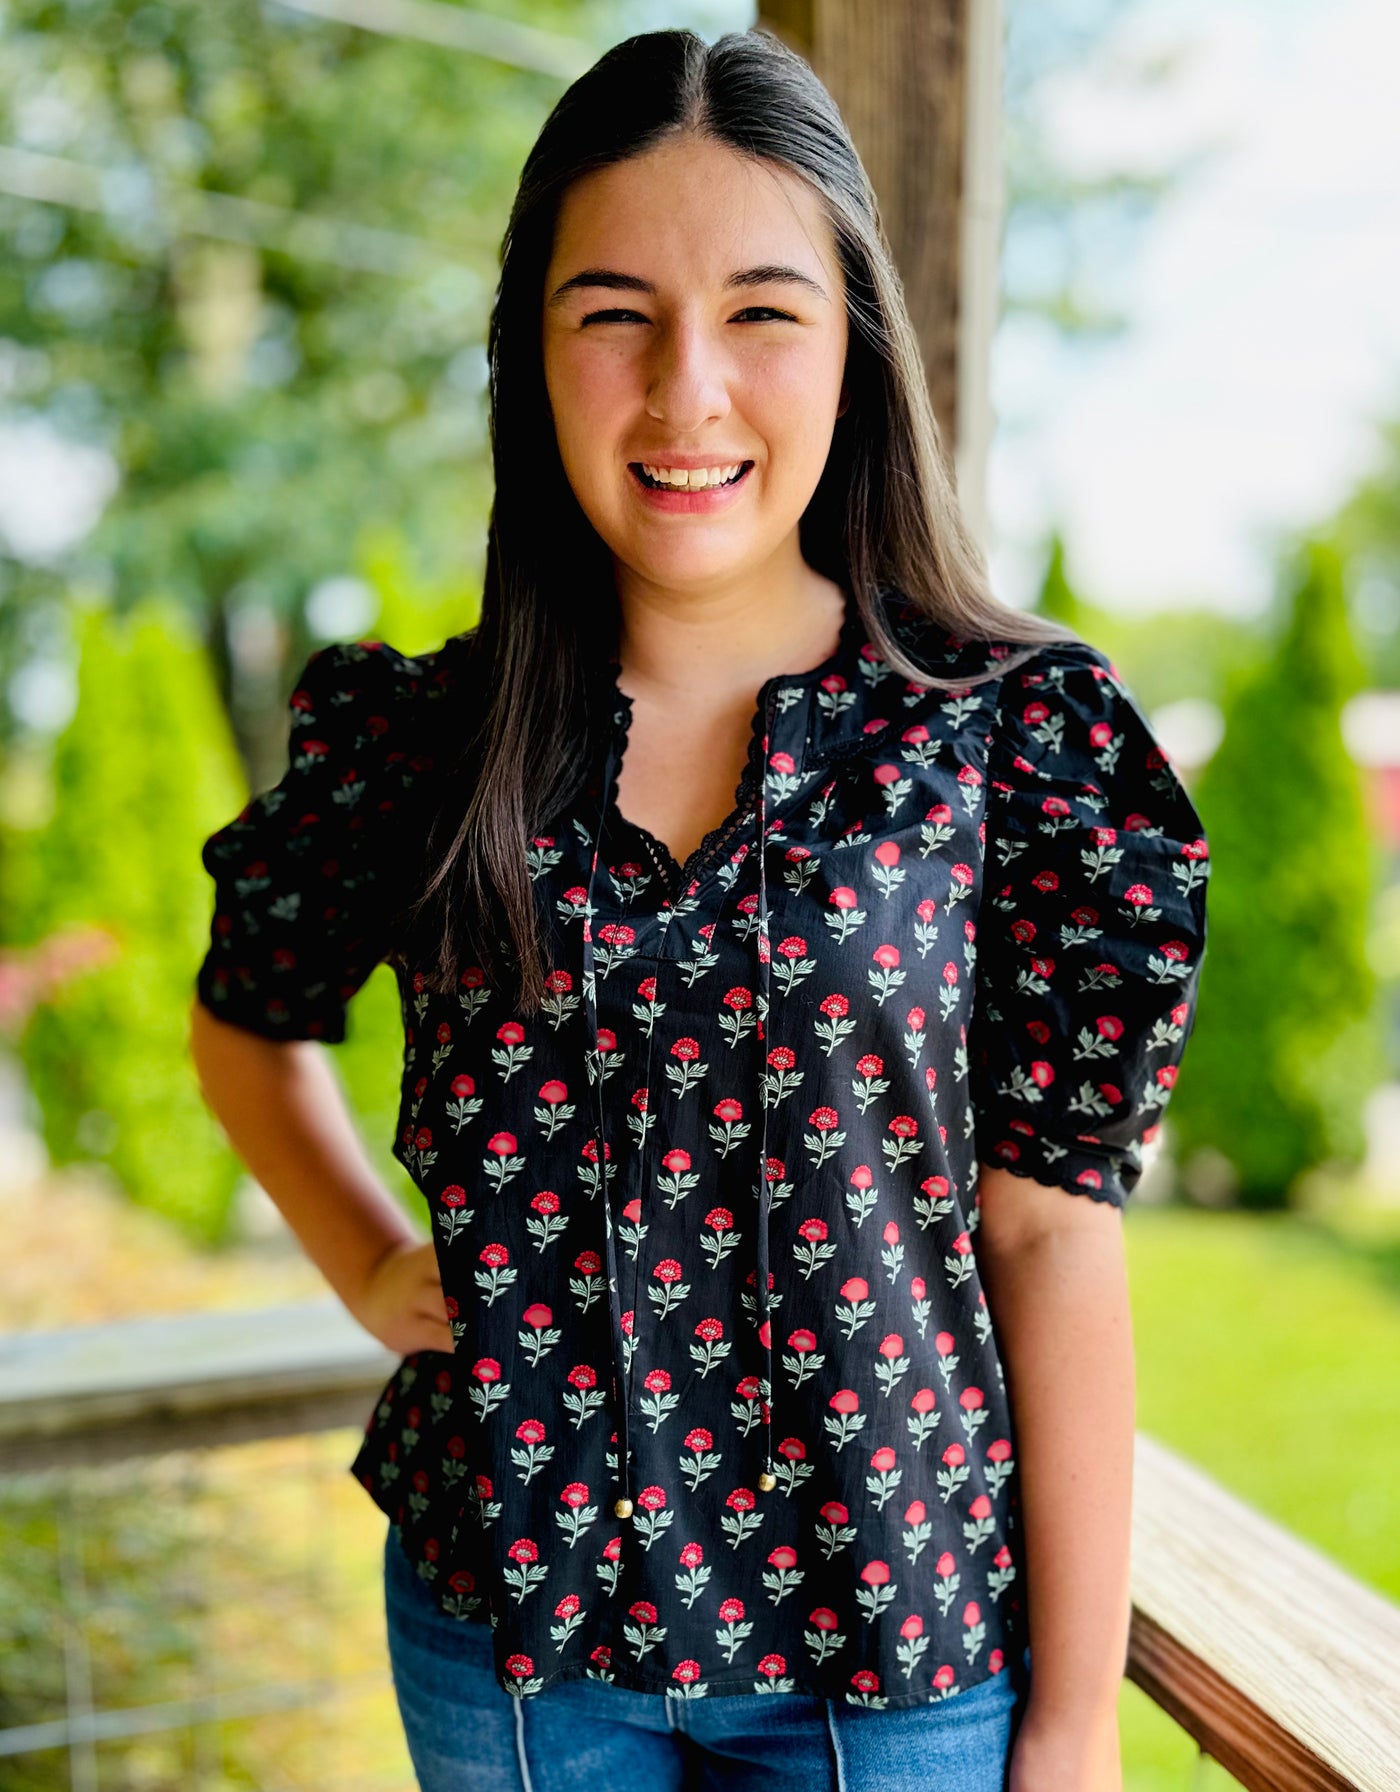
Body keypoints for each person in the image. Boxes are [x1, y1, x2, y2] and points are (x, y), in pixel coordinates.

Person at [190, 26, 1210, 1792]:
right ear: (535, 354)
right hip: (506, 1642)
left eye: (760, 309)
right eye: (615, 314)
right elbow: (245, 1024)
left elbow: (1053, 1235)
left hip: (897, 1663)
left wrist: (1069, 1720)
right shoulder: (425, 741)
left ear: (853, 345)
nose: (689, 392)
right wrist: (365, 1258)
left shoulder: (1005, 742)